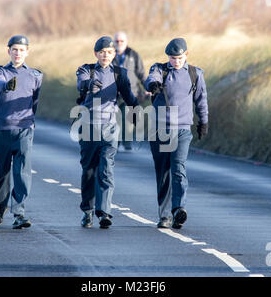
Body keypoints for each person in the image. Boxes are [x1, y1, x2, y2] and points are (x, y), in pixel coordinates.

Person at [144, 38, 208, 229]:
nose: (176, 61)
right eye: (172, 58)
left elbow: (201, 100)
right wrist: (153, 85)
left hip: (182, 129)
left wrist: (203, 121)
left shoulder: (195, 73)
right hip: (160, 129)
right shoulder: (160, 69)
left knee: (178, 168)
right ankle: (165, 216)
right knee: (163, 172)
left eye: (179, 58)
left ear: (186, 55)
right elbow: (151, 78)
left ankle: (178, 208)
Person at [76, 36, 139, 229]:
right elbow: (81, 83)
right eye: (102, 52)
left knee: (106, 170)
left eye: (109, 52)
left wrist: (135, 113)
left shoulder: (120, 73)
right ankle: (87, 211)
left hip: (110, 129)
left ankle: (104, 212)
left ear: (114, 54)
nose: (105, 55)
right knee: (89, 171)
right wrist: (88, 85)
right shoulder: (87, 69)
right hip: (88, 128)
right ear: (96, 53)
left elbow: (129, 97)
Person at [0, 35, 43, 229]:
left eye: (21, 50)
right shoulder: (0, 71)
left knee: (22, 173)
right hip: (2, 130)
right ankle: (0, 208)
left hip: (24, 129)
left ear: (27, 51)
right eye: (14, 49)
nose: (18, 53)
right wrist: (7, 86)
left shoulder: (36, 76)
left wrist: (29, 120)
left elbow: (34, 101)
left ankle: (19, 212)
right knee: (2, 174)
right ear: (8, 51)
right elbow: (0, 83)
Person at [112, 31, 147, 151]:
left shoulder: (134, 55)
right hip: (113, 94)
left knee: (128, 119)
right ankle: (114, 143)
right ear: (113, 42)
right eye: (117, 41)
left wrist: (148, 87)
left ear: (126, 42)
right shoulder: (108, 54)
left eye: (122, 41)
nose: (119, 43)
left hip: (131, 93)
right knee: (114, 119)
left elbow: (141, 73)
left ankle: (127, 142)